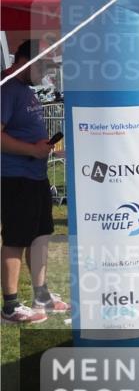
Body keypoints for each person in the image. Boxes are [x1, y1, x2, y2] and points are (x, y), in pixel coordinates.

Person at [1, 40, 70, 324]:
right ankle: (10, 307)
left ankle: (40, 294)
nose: (45, 72)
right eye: (43, 65)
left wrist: (45, 147)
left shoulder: (24, 90)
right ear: (24, 60)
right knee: (16, 239)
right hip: (15, 176)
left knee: (41, 235)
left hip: (36, 176)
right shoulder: (7, 89)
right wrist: (31, 150)